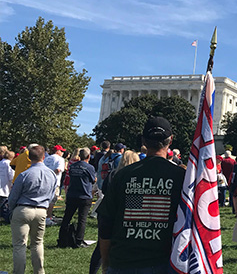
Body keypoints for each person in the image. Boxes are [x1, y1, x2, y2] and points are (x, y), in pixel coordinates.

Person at [97, 117, 185, 272]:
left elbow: (105, 223)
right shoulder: (182, 177)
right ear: (170, 140)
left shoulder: (123, 175)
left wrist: (105, 262)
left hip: (123, 261)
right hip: (166, 263)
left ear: (144, 141)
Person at [8, 144, 57, 274]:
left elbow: (13, 197)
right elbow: (52, 195)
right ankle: (39, 271)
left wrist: (11, 210)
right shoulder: (51, 174)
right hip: (41, 210)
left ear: (29, 157)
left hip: (23, 209)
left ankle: (18, 272)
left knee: (20, 245)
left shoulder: (24, 174)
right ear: (44, 156)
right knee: (37, 243)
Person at [89, 150, 139, 274]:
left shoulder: (113, 175)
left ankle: (94, 271)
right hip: (128, 213)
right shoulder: (137, 178)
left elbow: (104, 190)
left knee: (101, 245)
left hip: (109, 211)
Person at [58, 147, 96, 248]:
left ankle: (61, 240)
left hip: (72, 194)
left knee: (67, 218)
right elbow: (93, 180)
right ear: (88, 156)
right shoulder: (89, 167)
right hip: (84, 195)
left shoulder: (73, 166)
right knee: (82, 219)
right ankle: (79, 241)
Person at [43, 144, 65, 226]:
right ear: (58, 151)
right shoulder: (60, 159)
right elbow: (58, 170)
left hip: (45, 181)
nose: (62, 153)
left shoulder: (47, 158)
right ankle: (48, 217)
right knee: (52, 200)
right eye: (61, 151)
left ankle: (44, 216)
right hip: (54, 182)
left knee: (45, 199)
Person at [0, 146, 15, 221]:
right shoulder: (9, 164)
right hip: (5, 187)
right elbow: (11, 176)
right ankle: (7, 218)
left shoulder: (0, 163)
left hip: (1, 185)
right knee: (5, 204)